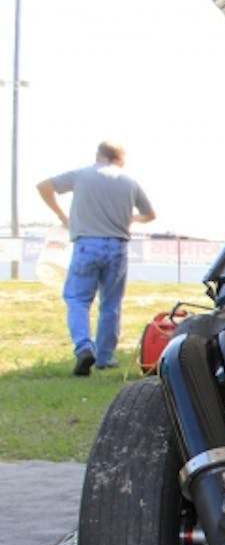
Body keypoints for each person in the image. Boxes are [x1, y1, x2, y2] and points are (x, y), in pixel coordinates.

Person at [37, 141, 156, 376]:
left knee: (78, 299)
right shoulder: (129, 182)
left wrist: (62, 215)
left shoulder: (83, 175)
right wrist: (129, 218)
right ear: (121, 159)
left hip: (87, 243)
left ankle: (83, 347)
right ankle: (105, 357)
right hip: (118, 246)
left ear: (98, 155)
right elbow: (150, 214)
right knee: (111, 304)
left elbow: (43, 186)